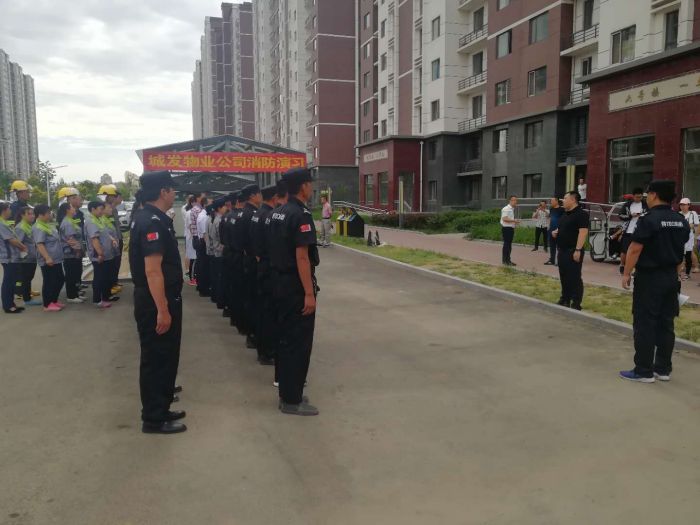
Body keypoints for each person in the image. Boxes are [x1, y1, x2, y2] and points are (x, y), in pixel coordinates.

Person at [129, 171, 185, 434]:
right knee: (156, 358)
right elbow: (153, 271)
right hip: (155, 301)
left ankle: (162, 407)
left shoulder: (152, 218)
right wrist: (162, 310)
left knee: (166, 356)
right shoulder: (151, 222)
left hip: (161, 297)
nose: (174, 194)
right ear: (163, 192)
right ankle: (153, 418)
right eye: (172, 189)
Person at [620, 180, 689, 383]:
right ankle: (663, 369)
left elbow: (635, 249)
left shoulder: (649, 219)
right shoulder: (680, 220)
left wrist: (626, 273)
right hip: (671, 278)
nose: (647, 198)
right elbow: (680, 251)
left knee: (645, 323)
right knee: (666, 324)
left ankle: (643, 370)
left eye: (648, 194)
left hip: (650, 278)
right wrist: (676, 274)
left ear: (654, 195)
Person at [269, 168, 320, 416]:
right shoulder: (300, 215)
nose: (311, 188)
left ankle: (289, 392)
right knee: (298, 343)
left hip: (279, 282)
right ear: (303, 187)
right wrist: (308, 293)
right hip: (294, 286)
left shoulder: (278, 212)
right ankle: (292, 399)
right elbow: (302, 257)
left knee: (285, 339)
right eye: (310, 184)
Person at [251, 184, 278, 366]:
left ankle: (262, 348)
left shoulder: (257, 214)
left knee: (261, 309)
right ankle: (267, 352)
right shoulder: (268, 216)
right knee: (269, 312)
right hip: (268, 267)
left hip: (259, 264)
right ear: (274, 197)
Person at [234, 184, 262, 349]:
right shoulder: (252, 215)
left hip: (242, 258)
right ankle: (252, 334)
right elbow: (253, 241)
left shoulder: (241, 213)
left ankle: (247, 329)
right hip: (252, 260)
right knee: (254, 298)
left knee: (247, 296)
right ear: (252, 196)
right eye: (259, 194)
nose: (261, 197)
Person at [552, 191, 589, 310]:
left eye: (565, 198)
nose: (563, 200)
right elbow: (563, 228)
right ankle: (565, 298)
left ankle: (576, 302)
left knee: (574, 277)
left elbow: (583, 232)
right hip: (562, 250)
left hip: (573, 250)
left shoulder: (581, 214)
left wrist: (578, 250)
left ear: (573, 200)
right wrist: (556, 232)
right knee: (564, 276)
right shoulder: (565, 214)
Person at [33, 204, 66, 312]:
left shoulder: (47, 225)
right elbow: (40, 244)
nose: (50, 214)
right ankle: (47, 304)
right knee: (49, 281)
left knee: (60, 279)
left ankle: (54, 301)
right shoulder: (38, 227)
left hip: (56, 258)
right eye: (48, 213)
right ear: (40, 215)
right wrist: (47, 257)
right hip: (48, 260)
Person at [84, 201, 115, 308]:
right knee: (99, 278)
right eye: (100, 209)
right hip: (99, 255)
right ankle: (97, 300)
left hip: (106, 254)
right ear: (93, 209)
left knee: (104, 277)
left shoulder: (98, 219)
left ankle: (104, 298)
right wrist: (100, 254)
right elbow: (94, 239)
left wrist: (112, 239)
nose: (102, 211)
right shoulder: (91, 222)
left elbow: (104, 233)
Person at [0, 201, 27, 314]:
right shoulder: (1, 224)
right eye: (9, 209)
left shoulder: (4, 223)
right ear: (4, 211)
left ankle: (11, 304)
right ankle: (8, 306)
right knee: (8, 281)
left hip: (12, 257)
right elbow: (11, 240)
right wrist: (23, 247)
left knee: (11, 281)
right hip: (9, 257)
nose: (10, 211)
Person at [14, 206, 41, 306]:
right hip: (26, 259)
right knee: (26, 278)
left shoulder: (29, 225)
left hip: (32, 257)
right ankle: (27, 299)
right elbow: (18, 244)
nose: (32, 216)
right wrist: (24, 255)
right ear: (22, 215)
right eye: (29, 214)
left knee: (29, 277)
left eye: (33, 213)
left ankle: (28, 293)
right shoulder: (20, 227)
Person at [58, 202, 85, 303]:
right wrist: (78, 251)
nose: (74, 209)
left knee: (75, 274)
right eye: (72, 207)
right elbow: (71, 240)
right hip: (71, 254)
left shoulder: (70, 221)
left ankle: (76, 293)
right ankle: (71, 296)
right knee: (71, 275)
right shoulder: (67, 223)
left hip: (74, 253)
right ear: (67, 210)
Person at [618, 188, 648, 275]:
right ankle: (622, 265)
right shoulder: (627, 205)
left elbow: (650, 214)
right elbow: (620, 215)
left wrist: (642, 216)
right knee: (625, 250)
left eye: (640, 197)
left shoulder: (645, 205)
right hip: (628, 230)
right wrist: (630, 216)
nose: (639, 199)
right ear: (633, 196)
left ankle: (635, 268)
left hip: (639, 230)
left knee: (638, 250)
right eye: (637, 197)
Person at [208, 198, 227, 308]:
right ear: (219, 208)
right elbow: (221, 238)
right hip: (220, 251)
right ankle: (220, 301)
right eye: (224, 206)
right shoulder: (219, 220)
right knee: (220, 279)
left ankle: (215, 297)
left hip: (215, 251)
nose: (226, 208)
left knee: (216, 277)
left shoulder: (213, 219)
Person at [678, 197, 699, 280]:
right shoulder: (678, 214)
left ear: (688, 205)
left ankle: (687, 274)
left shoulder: (692, 214)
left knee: (688, 256)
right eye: (681, 205)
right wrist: (688, 225)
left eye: (684, 205)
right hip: (680, 237)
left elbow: (696, 225)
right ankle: (678, 274)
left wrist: (695, 237)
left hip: (689, 238)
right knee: (679, 256)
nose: (682, 206)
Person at [195, 196, 210, 297]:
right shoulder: (204, 217)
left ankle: (201, 286)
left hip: (201, 241)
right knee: (204, 267)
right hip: (204, 242)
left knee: (201, 265)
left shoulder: (202, 215)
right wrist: (209, 247)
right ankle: (204, 289)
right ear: (205, 205)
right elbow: (205, 234)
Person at [189, 193, 205, 287]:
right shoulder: (197, 210)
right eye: (203, 197)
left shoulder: (196, 209)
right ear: (198, 198)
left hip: (196, 237)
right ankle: (198, 280)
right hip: (198, 238)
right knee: (200, 260)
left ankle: (198, 280)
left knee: (199, 259)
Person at [500, 195, 520, 266]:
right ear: (510, 201)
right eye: (514, 200)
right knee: (507, 245)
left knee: (509, 245)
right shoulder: (506, 209)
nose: (515, 202)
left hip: (510, 228)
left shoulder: (511, 209)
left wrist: (514, 225)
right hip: (506, 229)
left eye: (516, 200)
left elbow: (509, 220)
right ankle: (506, 261)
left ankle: (507, 260)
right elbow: (504, 218)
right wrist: (514, 221)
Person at [545, 197, 564, 266]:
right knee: (552, 246)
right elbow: (550, 218)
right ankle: (552, 260)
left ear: (556, 201)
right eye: (551, 201)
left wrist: (558, 229)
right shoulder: (551, 209)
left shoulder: (562, 210)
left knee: (559, 247)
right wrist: (548, 226)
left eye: (552, 201)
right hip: (551, 230)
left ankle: (560, 261)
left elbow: (563, 220)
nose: (551, 202)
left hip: (558, 230)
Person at [182, 195, 196, 283]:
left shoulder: (190, 211)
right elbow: (191, 226)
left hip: (191, 236)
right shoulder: (189, 211)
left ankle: (192, 275)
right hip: (191, 237)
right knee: (192, 257)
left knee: (192, 257)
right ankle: (191, 276)